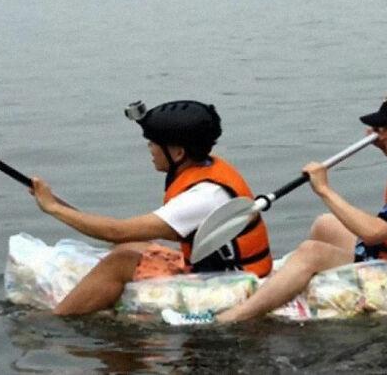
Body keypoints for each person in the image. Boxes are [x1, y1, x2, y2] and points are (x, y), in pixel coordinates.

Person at [162, 87, 387, 325]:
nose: (379, 134)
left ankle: (228, 319)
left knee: (312, 252)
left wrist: (323, 189)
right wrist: (386, 144)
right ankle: (282, 286)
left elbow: (375, 233)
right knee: (324, 224)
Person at [30, 100, 272, 316]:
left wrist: (53, 208)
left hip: (232, 282)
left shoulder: (203, 196)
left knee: (121, 259)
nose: (150, 149)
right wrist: (55, 202)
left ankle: (56, 320)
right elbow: (126, 236)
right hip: (225, 270)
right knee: (132, 247)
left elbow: (116, 231)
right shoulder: (208, 166)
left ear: (178, 153)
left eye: (154, 143)